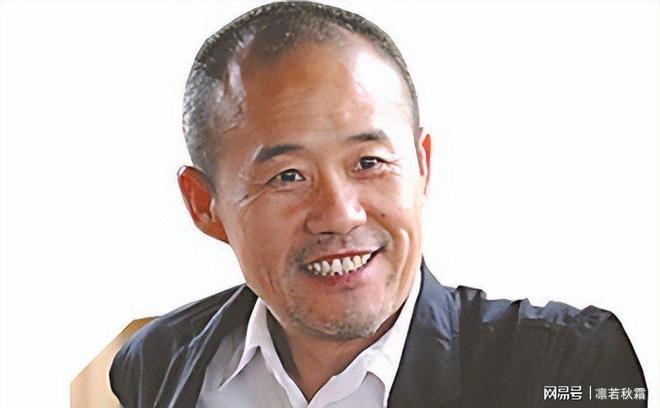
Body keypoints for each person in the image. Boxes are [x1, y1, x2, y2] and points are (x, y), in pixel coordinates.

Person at [109, 2, 647, 407]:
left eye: (368, 162)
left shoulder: (562, 367)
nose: (341, 214)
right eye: (287, 176)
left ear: (422, 165)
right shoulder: (156, 360)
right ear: (204, 204)